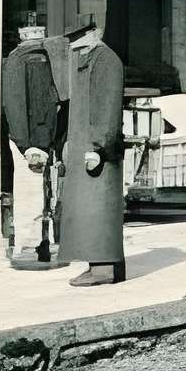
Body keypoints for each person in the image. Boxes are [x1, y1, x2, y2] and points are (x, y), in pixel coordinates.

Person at [57, 17, 130, 286]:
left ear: (93, 33)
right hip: (88, 145)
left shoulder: (106, 60)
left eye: (78, 38)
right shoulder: (91, 57)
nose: (74, 45)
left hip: (97, 149)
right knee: (92, 208)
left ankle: (103, 269)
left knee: (99, 208)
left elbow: (106, 106)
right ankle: (101, 266)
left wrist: (98, 146)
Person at [0, 7, 62, 270]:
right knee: (31, 194)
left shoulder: (38, 57)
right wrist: (26, 145)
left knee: (42, 193)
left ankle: (40, 242)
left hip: (40, 140)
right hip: (31, 141)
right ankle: (31, 244)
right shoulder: (23, 60)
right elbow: (15, 105)